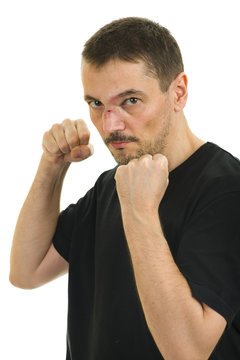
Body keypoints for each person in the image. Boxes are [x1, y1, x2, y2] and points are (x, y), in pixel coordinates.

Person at [9, 17, 240, 360]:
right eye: (96, 104)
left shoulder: (227, 191)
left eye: (130, 100)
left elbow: (187, 351)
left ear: (178, 93)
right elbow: (26, 272)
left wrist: (141, 212)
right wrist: (52, 165)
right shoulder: (111, 185)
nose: (109, 125)